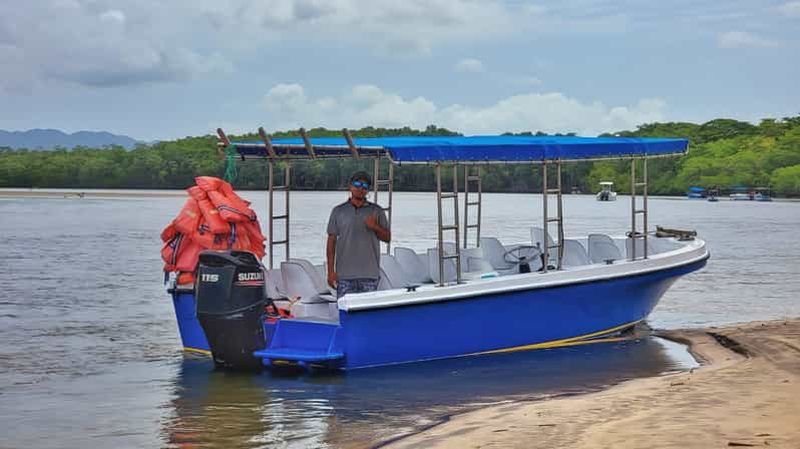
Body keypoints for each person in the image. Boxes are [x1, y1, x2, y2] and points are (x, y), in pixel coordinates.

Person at [326, 171, 391, 298]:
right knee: (345, 309)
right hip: (344, 276)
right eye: (357, 184)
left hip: (369, 276)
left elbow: (387, 238)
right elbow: (331, 242)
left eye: (365, 186)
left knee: (368, 310)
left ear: (368, 190)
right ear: (350, 187)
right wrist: (330, 272)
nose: (360, 188)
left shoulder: (376, 211)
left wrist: (375, 226)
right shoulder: (338, 211)